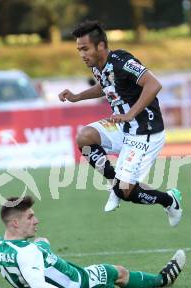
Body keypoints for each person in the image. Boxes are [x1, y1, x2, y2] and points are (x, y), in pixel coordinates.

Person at [58, 20, 182, 226]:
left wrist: (130, 114)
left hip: (144, 131)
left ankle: (169, 200)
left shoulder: (122, 61)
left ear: (101, 46)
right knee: (85, 137)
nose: (82, 54)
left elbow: (153, 84)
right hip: (122, 126)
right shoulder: (98, 65)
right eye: (79, 49)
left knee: (127, 192)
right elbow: (105, 85)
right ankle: (116, 183)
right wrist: (76, 96)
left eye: (85, 48)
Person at [0, 196, 186, 288]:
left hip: (35, 279)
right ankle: (161, 280)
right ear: (15, 223)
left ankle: (48, 253)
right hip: (75, 281)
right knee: (118, 271)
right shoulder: (27, 252)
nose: (36, 220)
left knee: (43, 243)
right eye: (30, 217)